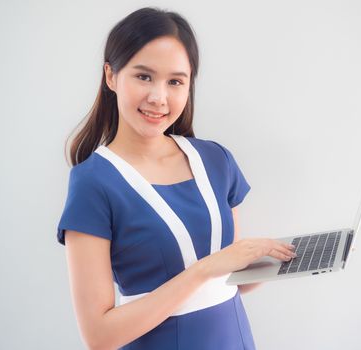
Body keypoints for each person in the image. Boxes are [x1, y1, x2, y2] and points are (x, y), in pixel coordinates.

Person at [57, 7, 297, 350]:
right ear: (111, 76)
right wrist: (204, 269)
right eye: (143, 77)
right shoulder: (93, 183)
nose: (159, 97)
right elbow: (99, 336)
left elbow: (230, 281)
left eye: (175, 81)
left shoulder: (216, 160)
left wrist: (272, 260)